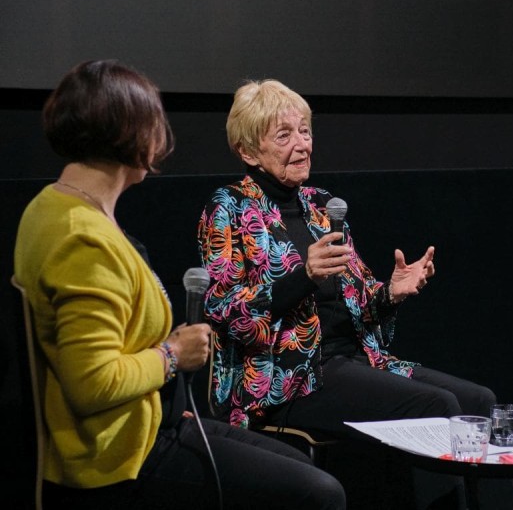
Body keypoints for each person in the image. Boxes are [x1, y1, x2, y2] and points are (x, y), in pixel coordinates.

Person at [14, 60, 346, 510]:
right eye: (155, 123)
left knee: (300, 467)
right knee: (319, 492)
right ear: (131, 135)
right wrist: (173, 355)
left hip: (147, 423)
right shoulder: (82, 238)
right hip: (119, 457)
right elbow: (91, 384)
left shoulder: (51, 206)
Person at [197, 79, 497, 505]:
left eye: (305, 131)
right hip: (288, 377)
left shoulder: (322, 205)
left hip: (355, 360)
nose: (301, 145)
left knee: (478, 403)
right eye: (284, 136)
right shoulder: (228, 208)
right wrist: (303, 276)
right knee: (438, 405)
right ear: (248, 152)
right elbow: (224, 312)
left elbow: (356, 305)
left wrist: (391, 293)